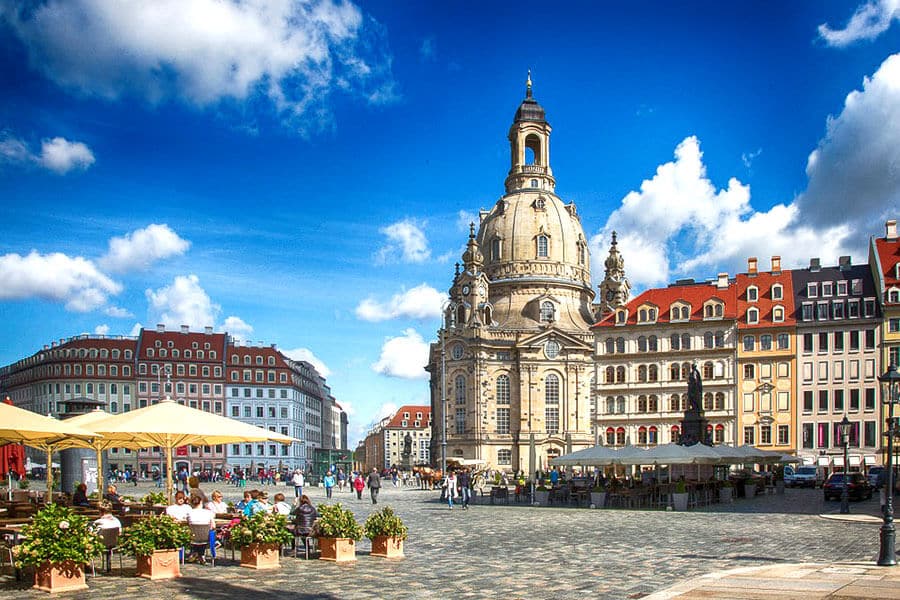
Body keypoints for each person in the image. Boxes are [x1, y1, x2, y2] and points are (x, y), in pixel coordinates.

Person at [186, 495, 214, 564]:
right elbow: (213, 526)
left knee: (194, 536)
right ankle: (201, 555)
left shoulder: (189, 513)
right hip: (206, 537)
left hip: (193, 537)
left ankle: (196, 552)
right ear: (201, 502)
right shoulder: (208, 512)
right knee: (206, 535)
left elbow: (188, 523)